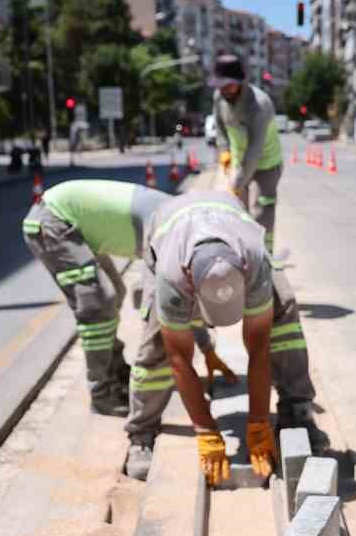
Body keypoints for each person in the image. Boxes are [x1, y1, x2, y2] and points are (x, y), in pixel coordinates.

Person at [123, 189, 317, 483]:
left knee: (284, 308)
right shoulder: (172, 275)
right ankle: (141, 432)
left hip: (230, 226)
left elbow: (259, 348)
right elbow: (180, 360)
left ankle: (296, 410)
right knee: (157, 345)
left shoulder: (253, 260)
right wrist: (207, 431)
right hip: (170, 233)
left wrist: (258, 423)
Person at [23, 179, 236, 419]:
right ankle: (102, 393)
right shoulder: (171, 238)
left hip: (68, 220)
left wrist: (207, 349)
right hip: (53, 222)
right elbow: (161, 304)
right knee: (98, 303)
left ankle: (115, 370)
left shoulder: (187, 230)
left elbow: (188, 300)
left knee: (115, 291)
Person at [211, 53, 284, 254]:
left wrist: (237, 183)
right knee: (238, 212)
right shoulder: (219, 97)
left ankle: (265, 256)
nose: (224, 90)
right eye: (220, 85)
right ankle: (243, 254)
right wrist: (224, 152)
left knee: (261, 212)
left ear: (240, 82)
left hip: (266, 163)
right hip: (239, 160)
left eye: (228, 85)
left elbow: (254, 150)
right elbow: (220, 128)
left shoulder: (259, 104)